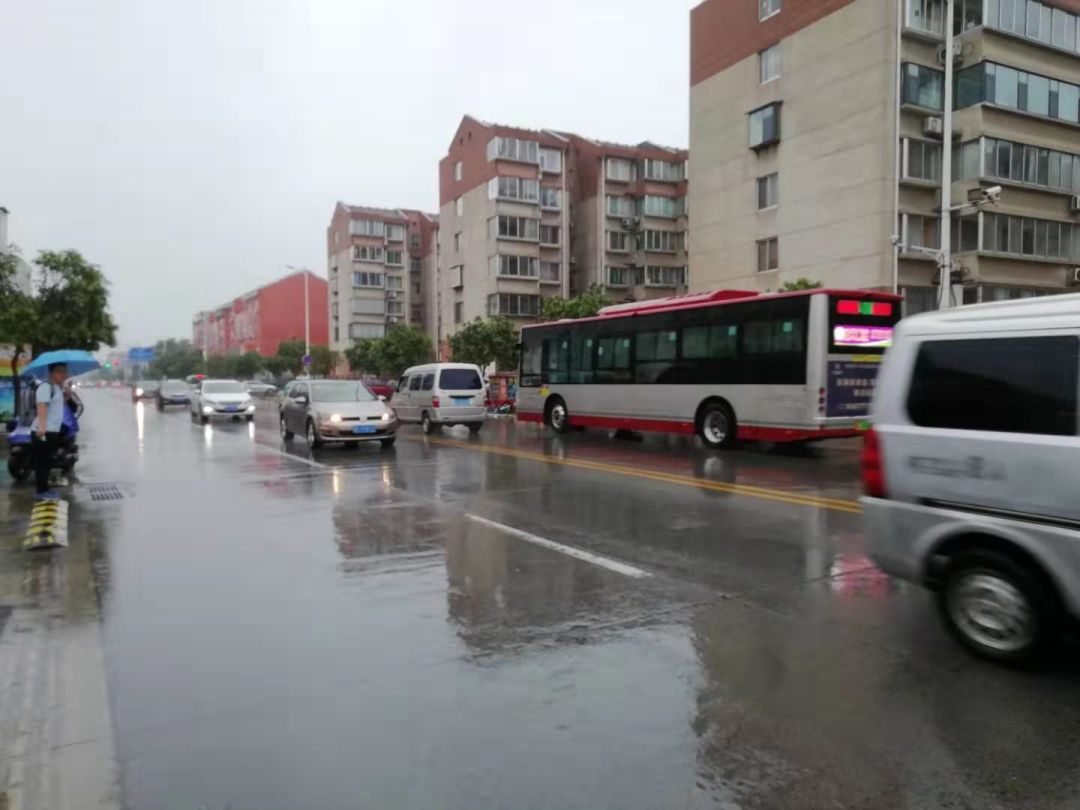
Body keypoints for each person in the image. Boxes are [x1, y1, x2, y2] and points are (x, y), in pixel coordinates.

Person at [30, 362, 69, 500]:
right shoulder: (45, 387)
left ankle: (45, 489)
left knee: (46, 462)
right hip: (43, 431)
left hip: (52, 430)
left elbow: (55, 407)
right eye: (63, 372)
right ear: (54, 373)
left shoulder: (56, 388)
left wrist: (66, 396)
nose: (66, 375)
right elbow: (42, 406)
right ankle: (41, 492)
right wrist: (42, 427)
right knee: (42, 463)